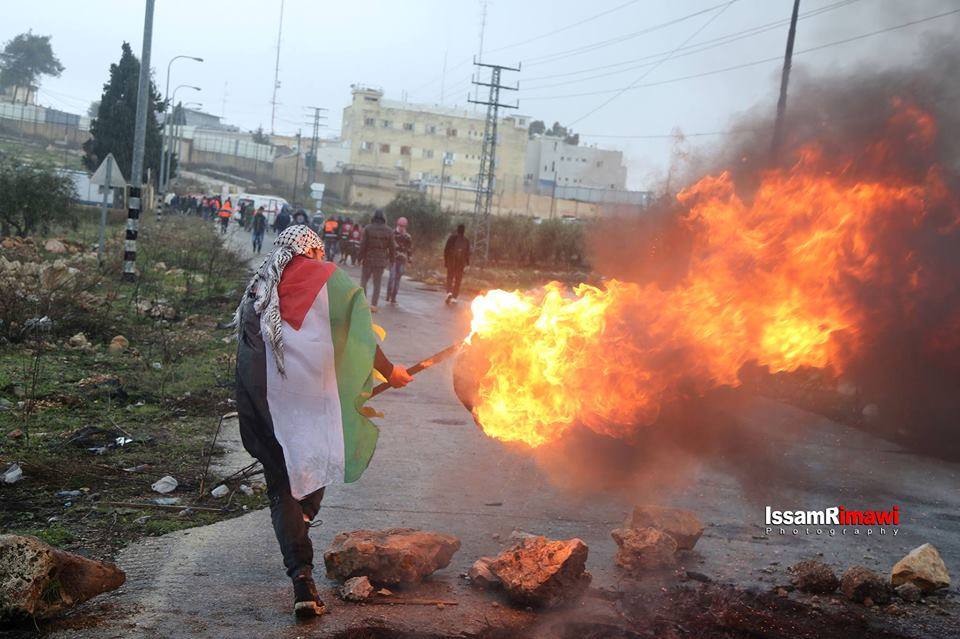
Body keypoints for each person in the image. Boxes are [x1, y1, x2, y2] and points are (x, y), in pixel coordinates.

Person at [234, 225, 412, 618]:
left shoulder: (257, 287)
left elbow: (248, 352)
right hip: (305, 403)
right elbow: (358, 332)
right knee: (321, 458)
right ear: (312, 248)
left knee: (282, 485)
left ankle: (302, 582)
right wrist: (389, 371)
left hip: (261, 404)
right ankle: (305, 521)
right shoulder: (326, 277)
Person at [357, 210, 395, 311]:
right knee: (377, 283)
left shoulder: (368, 228)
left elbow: (363, 245)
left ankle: (363, 304)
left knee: (364, 282)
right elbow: (392, 247)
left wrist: (359, 258)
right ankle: (374, 305)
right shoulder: (389, 231)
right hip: (380, 261)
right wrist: (392, 260)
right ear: (384, 218)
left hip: (368, 259)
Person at [385, 216, 412, 305]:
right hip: (393, 259)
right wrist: (386, 257)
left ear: (406, 226)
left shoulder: (407, 236)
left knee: (397, 279)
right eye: (400, 225)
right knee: (392, 277)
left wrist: (410, 260)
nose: (401, 227)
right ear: (397, 224)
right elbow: (387, 246)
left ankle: (394, 297)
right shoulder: (392, 233)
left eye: (403, 226)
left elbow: (409, 249)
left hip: (402, 260)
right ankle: (388, 294)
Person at [443, 223, 470, 304]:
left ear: (457, 230)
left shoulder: (452, 238)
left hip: (451, 261)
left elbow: (446, 250)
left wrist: (446, 261)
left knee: (450, 277)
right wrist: (467, 264)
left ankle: (449, 292)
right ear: (464, 231)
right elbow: (467, 254)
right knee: (458, 280)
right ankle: (454, 297)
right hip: (460, 263)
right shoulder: (466, 240)